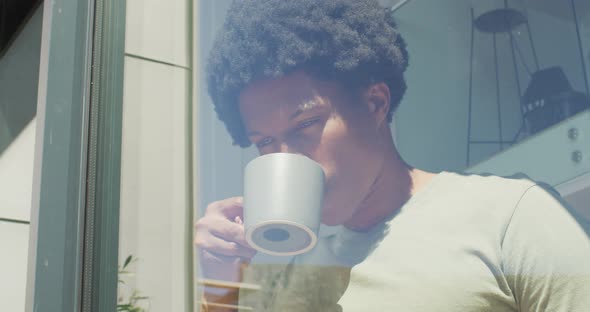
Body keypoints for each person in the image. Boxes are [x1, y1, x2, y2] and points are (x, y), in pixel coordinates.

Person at [195, 0, 590, 311]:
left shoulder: (511, 218)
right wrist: (221, 288)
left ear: (374, 103)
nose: (286, 157)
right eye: (265, 142)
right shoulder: (288, 274)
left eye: (306, 124)